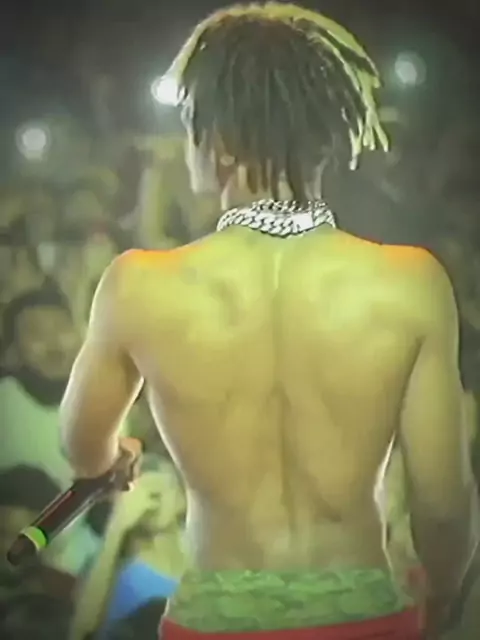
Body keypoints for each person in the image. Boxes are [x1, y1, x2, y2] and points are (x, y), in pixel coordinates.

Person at [59, 3, 479, 639]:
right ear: (327, 133)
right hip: (364, 614)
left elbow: (82, 448)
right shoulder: (411, 282)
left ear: (220, 143)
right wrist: (443, 594)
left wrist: (114, 455)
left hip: (217, 621)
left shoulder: (139, 285)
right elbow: (443, 501)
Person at [70, 455, 186, 640]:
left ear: (183, 499)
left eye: (161, 489)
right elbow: (80, 630)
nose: (149, 495)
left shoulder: (202, 564)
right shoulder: (112, 560)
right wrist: (116, 527)